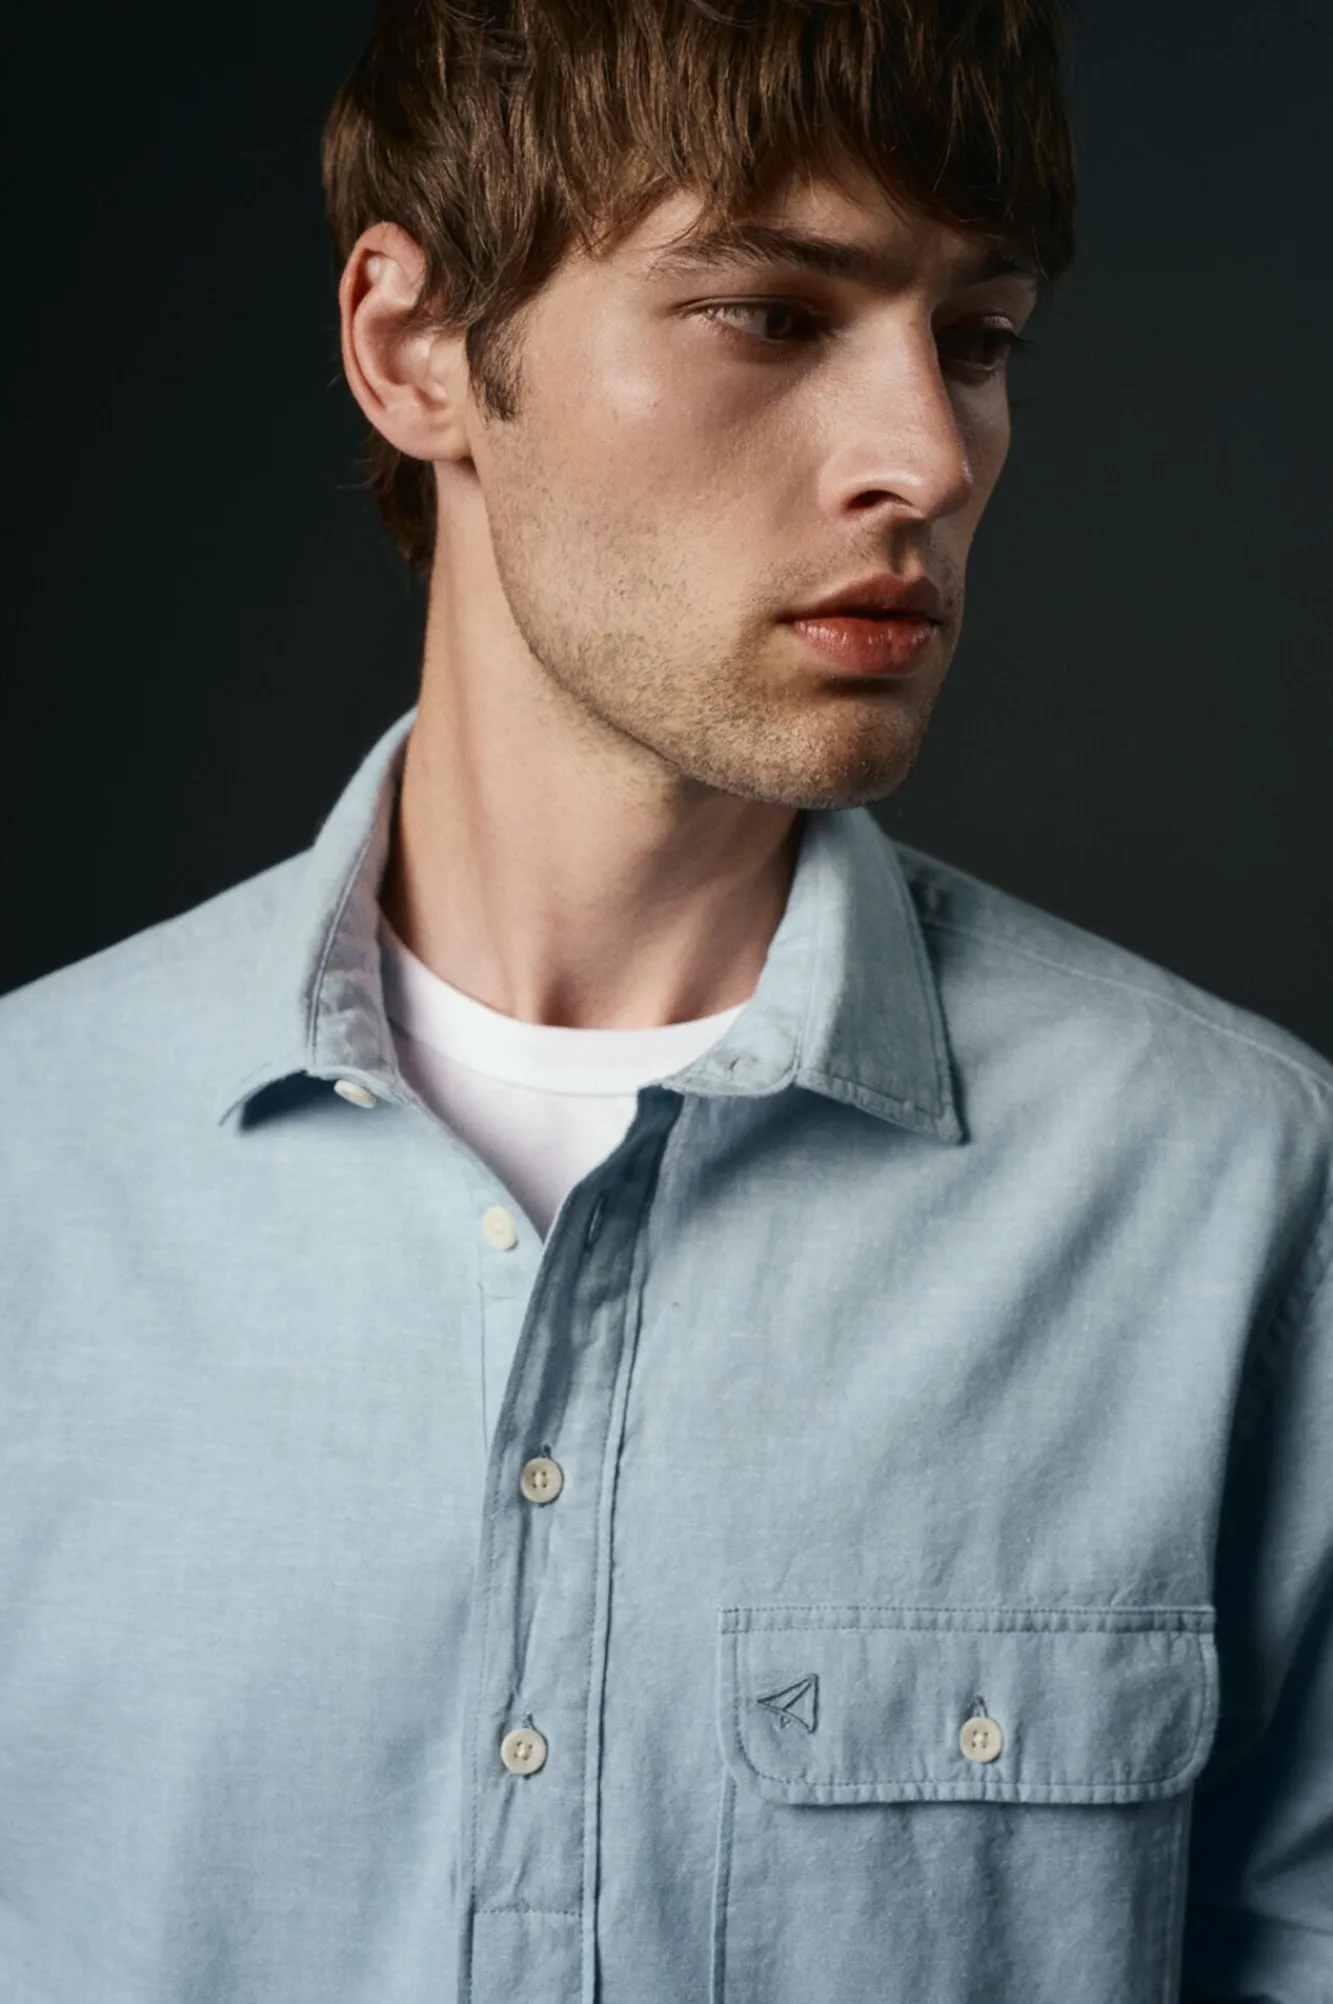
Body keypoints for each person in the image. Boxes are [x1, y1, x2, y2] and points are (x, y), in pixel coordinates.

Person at [0, 0, 1328, 1998]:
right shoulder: (30, 1176)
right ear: (415, 347)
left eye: (978, 341)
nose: (926, 457)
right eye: (771, 316)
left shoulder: (1242, 1197)